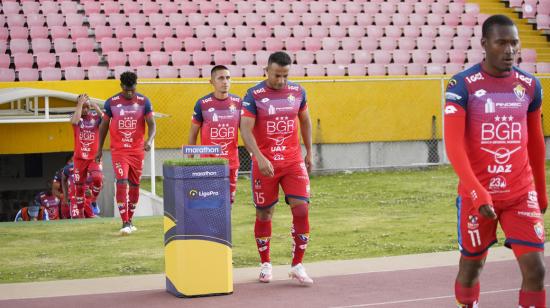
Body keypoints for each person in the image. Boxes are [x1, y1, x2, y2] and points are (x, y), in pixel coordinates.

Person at [444, 15, 546, 308]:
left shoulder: (529, 85)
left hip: (519, 193)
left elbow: (536, 143)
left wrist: (540, 189)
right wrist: (476, 191)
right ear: (485, 45)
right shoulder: (463, 84)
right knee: (472, 266)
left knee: (536, 269)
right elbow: (453, 146)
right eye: (501, 42)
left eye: (514, 42)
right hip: (478, 195)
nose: (510, 50)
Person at [240, 51, 314, 284]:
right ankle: (265, 263)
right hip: (265, 164)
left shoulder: (298, 91)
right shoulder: (254, 95)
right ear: (267, 70)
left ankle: (298, 265)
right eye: (276, 75)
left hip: (293, 162)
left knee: (301, 209)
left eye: (284, 75)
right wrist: (259, 157)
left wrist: (309, 151)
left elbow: (305, 121)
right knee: (264, 213)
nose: (281, 80)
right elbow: (245, 129)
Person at [96, 71, 156, 235]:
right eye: (126, 89)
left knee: (135, 185)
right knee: (122, 181)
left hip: (137, 151)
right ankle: (124, 222)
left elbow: (152, 124)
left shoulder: (144, 101)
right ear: (121, 86)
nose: (130, 93)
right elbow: (103, 127)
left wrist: (149, 140)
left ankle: (130, 219)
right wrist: (99, 149)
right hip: (119, 151)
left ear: (136, 85)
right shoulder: (112, 102)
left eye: (132, 89)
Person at [188, 65, 242, 204]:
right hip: (209, 161)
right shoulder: (202, 104)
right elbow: (193, 133)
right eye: (221, 78)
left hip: (232, 161)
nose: (225, 82)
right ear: (211, 81)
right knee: (211, 199)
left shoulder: (238, 103)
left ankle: (224, 226)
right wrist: (190, 159)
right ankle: (211, 225)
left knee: (229, 201)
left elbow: (246, 131)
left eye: (228, 78)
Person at [70, 94, 103, 218]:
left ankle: (93, 199)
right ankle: (80, 214)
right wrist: (80, 103)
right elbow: (74, 121)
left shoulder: (94, 117)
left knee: (98, 178)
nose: (85, 109)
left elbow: (105, 119)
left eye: (87, 107)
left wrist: (94, 105)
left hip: (93, 156)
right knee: (79, 188)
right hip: (79, 158)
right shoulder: (75, 117)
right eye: (83, 107)